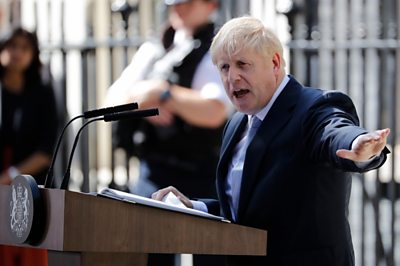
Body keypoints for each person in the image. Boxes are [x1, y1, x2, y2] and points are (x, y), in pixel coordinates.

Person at [152, 16, 391, 266]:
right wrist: (193, 207)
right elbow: (245, 214)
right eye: (224, 67)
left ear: (275, 63)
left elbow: (333, 129)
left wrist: (358, 144)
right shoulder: (236, 123)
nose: (232, 77)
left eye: (242, 64)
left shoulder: (313, 107)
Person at [106, 0, 230, 265]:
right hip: (154, 171)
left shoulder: (216, 49)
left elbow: (214, 111)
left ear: (210, 5)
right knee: (149, 253)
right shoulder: (156, 47)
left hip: (201, 172)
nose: (178, 8)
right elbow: (114, 99)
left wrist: (163, 94)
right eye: (175, 3)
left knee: (210, 253)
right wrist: (147, 99)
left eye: (187, 3)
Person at [0, 27, 58, 266]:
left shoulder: (42, 92)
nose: (17, 53)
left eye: (25, 48)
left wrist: (10, 176)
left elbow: (46, 149)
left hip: (31, 186)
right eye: (12, 46)